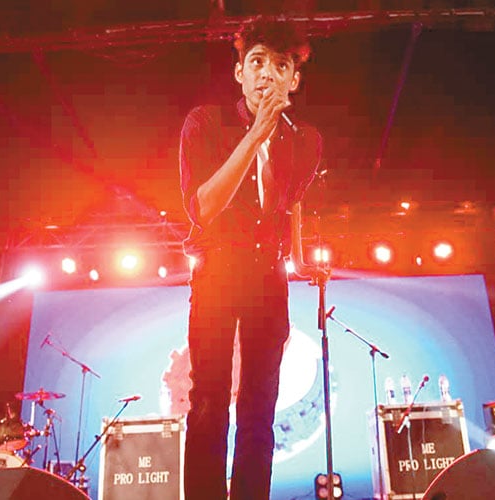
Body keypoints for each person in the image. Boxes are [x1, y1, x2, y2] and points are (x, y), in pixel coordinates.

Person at [178, 16, 322, 499]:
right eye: (257, 62)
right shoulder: (205, 122)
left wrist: (300, 259)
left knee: (260, 406)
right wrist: (255, 135)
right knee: (208, 399)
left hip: (268, 275)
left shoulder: (306, 140)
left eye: (280, 66)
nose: (267, 74)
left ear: (293, 80)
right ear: (239, 72)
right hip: (217, 269)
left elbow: (292, 202)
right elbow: (203, 208)